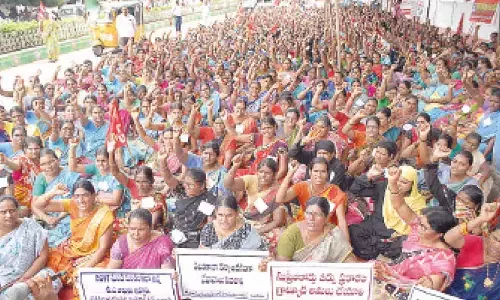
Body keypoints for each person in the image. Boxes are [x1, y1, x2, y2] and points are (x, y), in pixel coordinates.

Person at [373, 166, 457, 299]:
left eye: (424, 227)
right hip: (391, 274)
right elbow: (399, 205)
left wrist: (429, 283)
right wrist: (393, 183)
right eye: (420, 223)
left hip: (405, 292)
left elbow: (429, 287)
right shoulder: (419, 229)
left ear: (440, 234)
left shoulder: (444, 259)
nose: (418, 227)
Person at [34, 180, 113, 289]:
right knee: (51, 265)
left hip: (95, 253)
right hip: (73, 249)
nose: (81, 200)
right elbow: (38, 206)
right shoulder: (72, 204)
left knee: (95, 277)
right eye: (77, 196)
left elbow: (103, 248)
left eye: (85, 195)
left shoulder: (104, 213)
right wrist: (53, 192)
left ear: (94, 196)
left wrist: (86, 268)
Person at [0, 195, 61, 300]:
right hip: (4, 280)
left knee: (47, 280)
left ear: (18, 210)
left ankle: (22, 289)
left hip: (32, 274)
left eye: (12, 211)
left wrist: (24, 278)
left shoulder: (31, 226)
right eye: (3, 212)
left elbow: (43, 256)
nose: (8, 215)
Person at [224, 156, 286, 254]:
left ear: (274, 175)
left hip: (265, 226)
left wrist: (258, 231)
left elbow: (277, 221)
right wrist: (235, 167)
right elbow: (228, 184)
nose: (263, 175)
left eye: (268, 173)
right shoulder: (251, 180)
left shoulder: (277, 191)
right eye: (261, 172)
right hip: (246, 220)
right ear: (257, 172)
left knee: (277, 237)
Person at [276, 157, 349, 240]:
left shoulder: (335, 192)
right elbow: (279, 199)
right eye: (316, 171)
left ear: (328, 173)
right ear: (310, 172)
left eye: (323, 171)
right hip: (304, 226)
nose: (319, 175)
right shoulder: (302, 186)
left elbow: (341, 220)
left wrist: (347, 245)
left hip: (326, 231)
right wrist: (290, 174)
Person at [444, 203, 500, 299]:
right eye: (495, 238)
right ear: (489, 234)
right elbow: (449, 238)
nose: (498, 245)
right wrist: (480, 219)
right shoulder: (477, 242)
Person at [275, 196, 354, 262]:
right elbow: (281, 267)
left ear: (326, 218)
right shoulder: (291, 234)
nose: (311, 218)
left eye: (317, 214)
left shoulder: (333, 233)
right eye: (308, 213)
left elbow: (349, 260)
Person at [31, 149, 80, 248]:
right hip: (47, 216)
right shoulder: (41, 178)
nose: (48, 166)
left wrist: (59, 218)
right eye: (43, 164)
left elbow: (77, 200)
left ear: (58, 160)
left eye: (51, 161)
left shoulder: (70, 174)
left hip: (69, 213)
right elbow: (34, 205)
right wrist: (46, 218)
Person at [107, 209, 175, 269]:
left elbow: (167, 273)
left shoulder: (162, 243)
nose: (136, 233)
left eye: (141, 229)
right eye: (132, 229)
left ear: (150, 228)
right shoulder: (121, 244)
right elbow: (111, 272)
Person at [200, 195, 267, 250]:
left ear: (237, 213)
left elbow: (260, 254)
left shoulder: (247, 230)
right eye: (220, 215)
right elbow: (204, 256)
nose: (224, 220)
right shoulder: (209, 229)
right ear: (215, 213)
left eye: (229, 215)